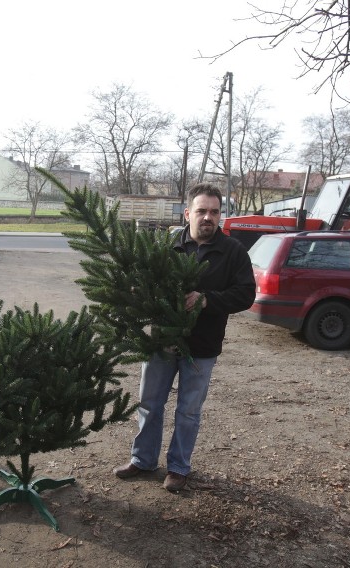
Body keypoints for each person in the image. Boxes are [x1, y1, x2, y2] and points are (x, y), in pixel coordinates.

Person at [113, 182, 256, 491]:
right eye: (202, 211)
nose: (208, 218)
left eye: (214, 212)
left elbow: (245, 294)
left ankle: (178, 467)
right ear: (188, 212)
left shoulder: (232, 252)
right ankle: (143, 460)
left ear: (220, 216)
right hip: (162, 342)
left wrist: (207, 300)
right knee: (150, 403)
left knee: (188, 411)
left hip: (202, 348)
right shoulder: (168, 245)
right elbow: (144, 278)